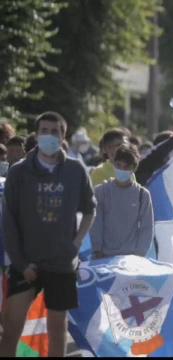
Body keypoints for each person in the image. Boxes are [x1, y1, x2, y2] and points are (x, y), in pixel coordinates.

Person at [0, 111, 96, 357]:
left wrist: (75, 244)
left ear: (64, 135)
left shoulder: (75, 170)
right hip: (26, 263)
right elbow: (9, 220)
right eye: (44, 131)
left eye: (55, 131)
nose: (49, 136)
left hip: (61, 263)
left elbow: (90, 209)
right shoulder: (19, 171)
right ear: (36, 134)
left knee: (57, 329)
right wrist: (21, 263)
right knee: (10, 329)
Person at [90, 144, 154, 259]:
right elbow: (96, 223)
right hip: (104, 256)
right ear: (114, 164)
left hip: (131, 258)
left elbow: (147, 227)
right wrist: (97, 249)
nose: (122, 170)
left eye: (126, 167)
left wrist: (139, 255)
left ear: (133, 168)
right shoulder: (101, 191)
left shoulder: (142, 195)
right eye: (119, 165)